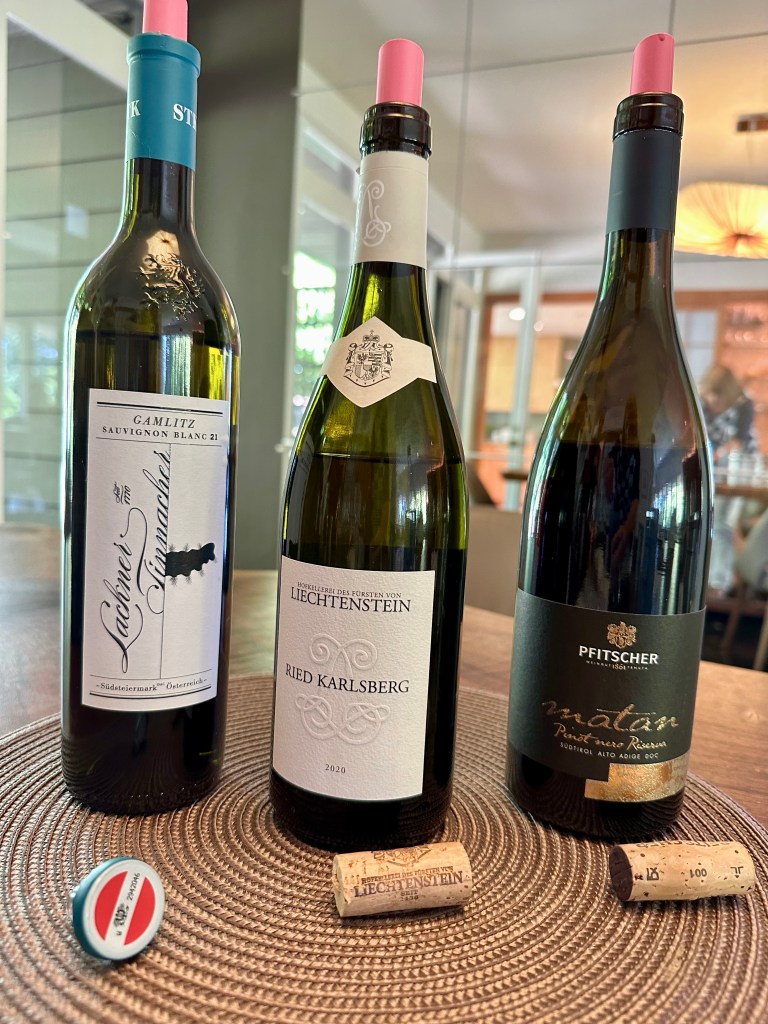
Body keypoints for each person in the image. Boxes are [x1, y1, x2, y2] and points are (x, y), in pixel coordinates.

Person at [699, 363, 758, 466]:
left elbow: (740, 440)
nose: (714, 408)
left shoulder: (744, 404)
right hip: (707, 459)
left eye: (719, 403)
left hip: (738, 461)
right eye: (711, 402)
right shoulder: (700, 402)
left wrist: (717, 454)